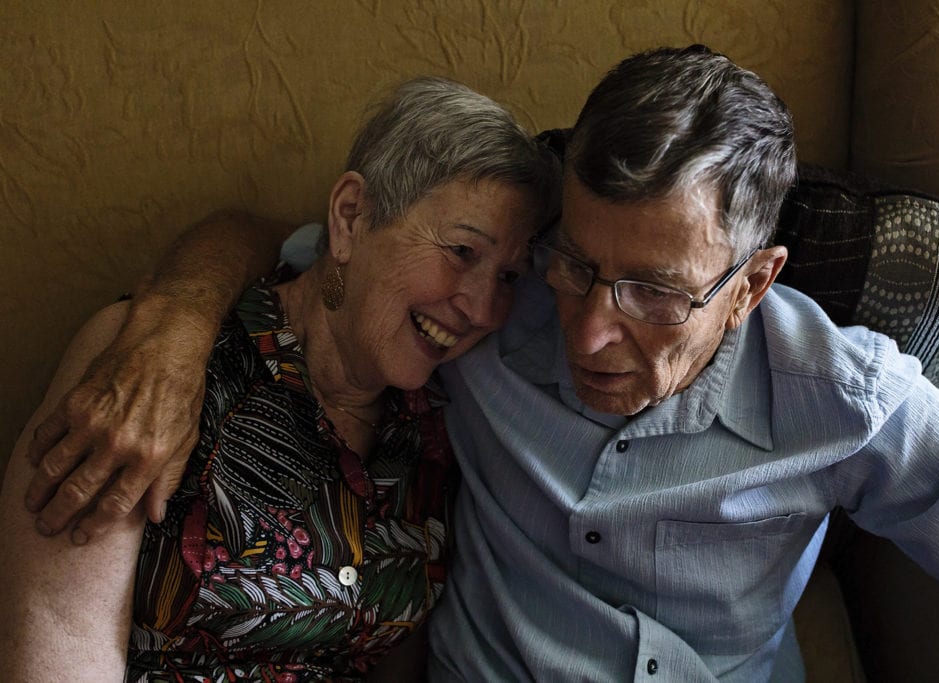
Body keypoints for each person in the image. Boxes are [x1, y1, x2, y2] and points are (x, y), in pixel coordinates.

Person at [14, 45, 939, 681]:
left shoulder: (849, 402)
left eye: (656, 293)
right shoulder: (488, 313)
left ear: (752, 283)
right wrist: (172, 320)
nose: (587, 329)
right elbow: (291, 256)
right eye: (575, 263)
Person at [0, 76, 559, 680]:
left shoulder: (435, 424)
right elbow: (60, 634)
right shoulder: (157, 369)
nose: (481, 309)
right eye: (462, 251)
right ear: (350, 218)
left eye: (508, 277)